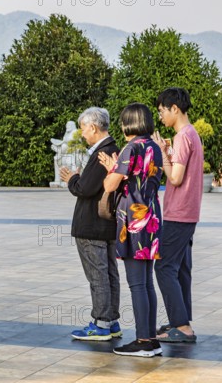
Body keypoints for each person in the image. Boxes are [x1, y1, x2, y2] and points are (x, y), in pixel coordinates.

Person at [99, 103, 164, 357]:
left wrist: (112, 169)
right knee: (147, 283)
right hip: (152, 217)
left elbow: (110, 183)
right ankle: (151, 339)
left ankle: (142, 341)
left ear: (128, 122)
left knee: (137, 284)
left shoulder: (131, 147)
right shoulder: (154, 147)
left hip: (133, 221)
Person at [60, 108, 121, 341]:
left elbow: (84, 189)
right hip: (107, 224)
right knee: (108, 273)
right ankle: (112, 321)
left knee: (98, 275)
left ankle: (102, 323)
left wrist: (72, 179)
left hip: (92, 225)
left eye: (84, 128)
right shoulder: (112, 149)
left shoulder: (102, 153)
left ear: (93, 127)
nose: (83, 133)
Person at [152, 87, 203, 343]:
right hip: (188, 212)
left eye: (162, 111)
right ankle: (181, 321)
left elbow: (175, 177)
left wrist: (162, 155)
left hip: (178, 213)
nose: (160, 116)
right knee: (181, 269)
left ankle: (182, 327)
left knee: (163, 266)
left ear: (175, 108)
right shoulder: (191, 134)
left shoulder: (183, 136)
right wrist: (168, 151)